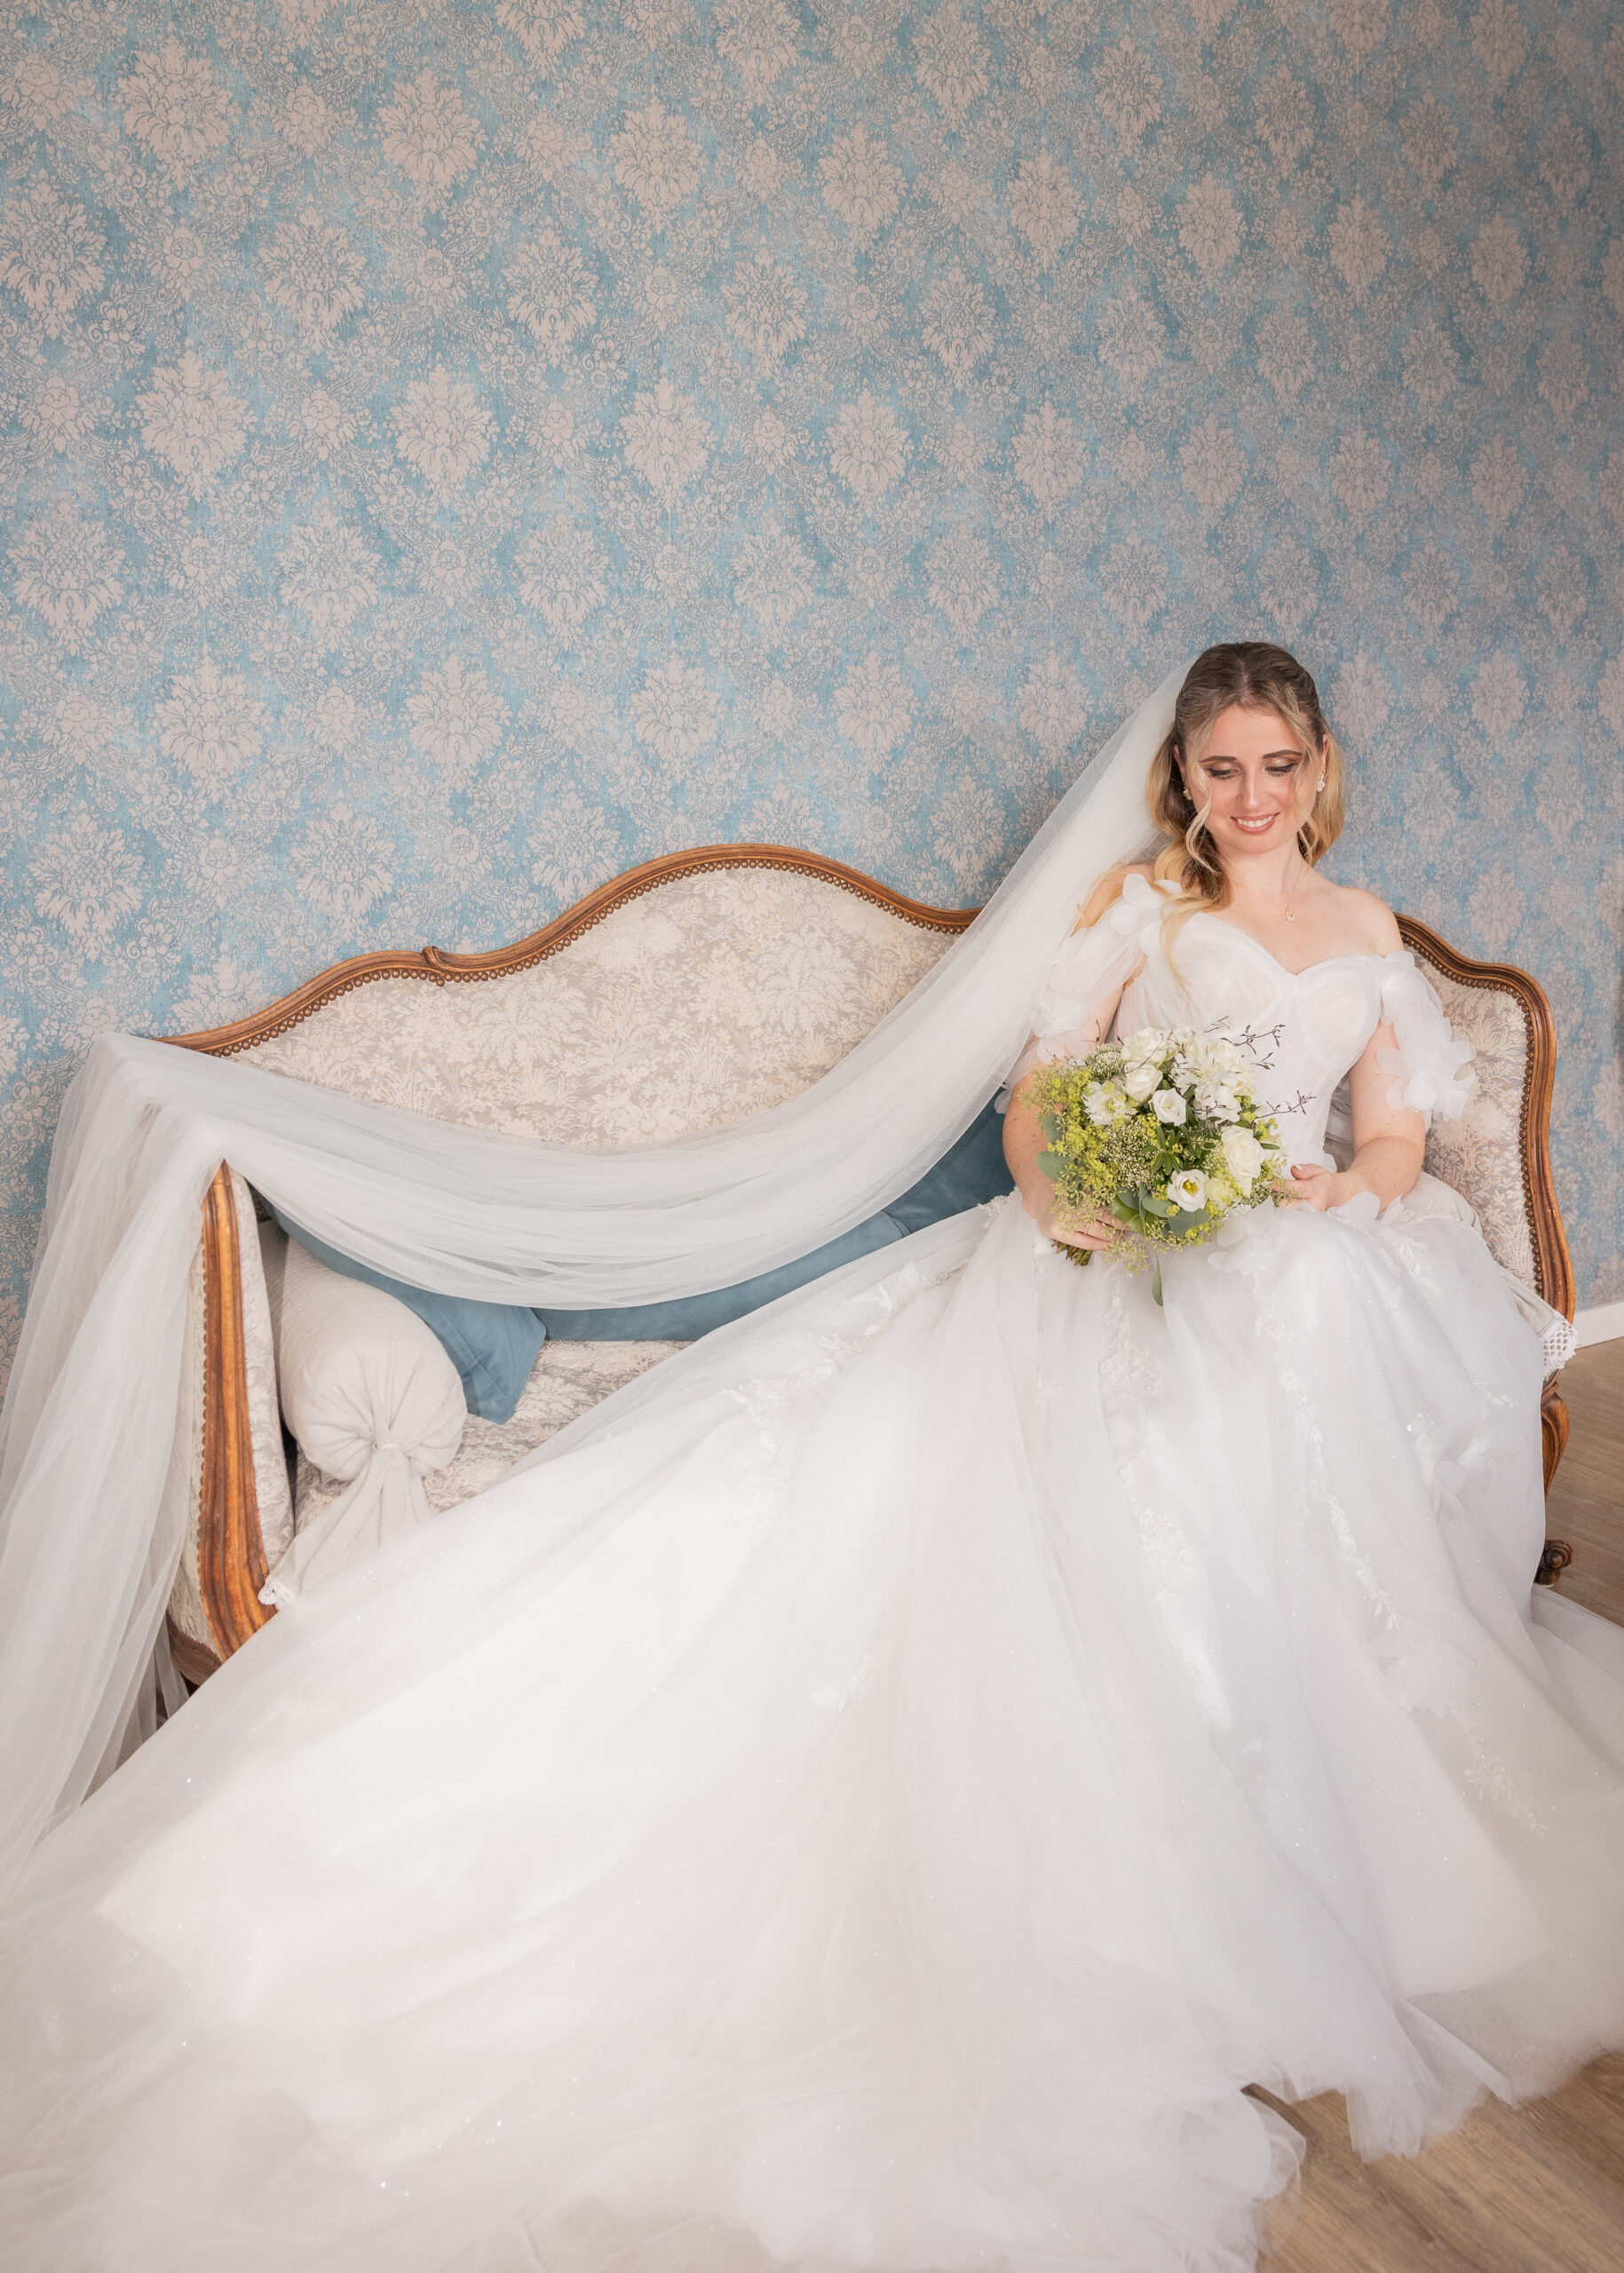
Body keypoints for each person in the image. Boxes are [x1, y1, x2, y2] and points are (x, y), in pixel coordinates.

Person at [2, 644, 1621, 2273]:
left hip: (1304, 1243)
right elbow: (1042, 1099)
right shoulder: (1145, 919)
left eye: (1278, 768)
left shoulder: (1368, 939)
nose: (1251, 799)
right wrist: (1088, 1192)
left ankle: (1314, 1759)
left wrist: (1335, 1200)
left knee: (1319, 1331)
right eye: (1222, 771)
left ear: (1320, 771)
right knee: (1087, 1414)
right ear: (1184, 781)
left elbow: (1394, 1133)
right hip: (1125, 1241)